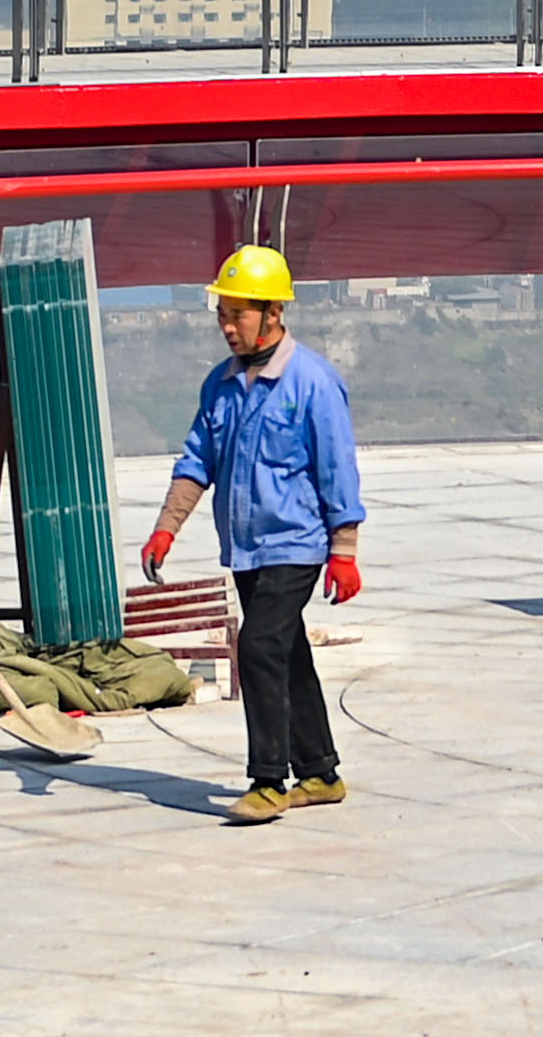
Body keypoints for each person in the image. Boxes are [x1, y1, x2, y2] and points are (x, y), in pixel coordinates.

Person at [142, 247, 366, 826]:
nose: (227, 326)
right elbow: (197, 461)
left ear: (273, 313)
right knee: (287, 653)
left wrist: (344, 551)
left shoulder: (313, 383)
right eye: (222, 313)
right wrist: (166, 530)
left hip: (296, 543)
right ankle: (319, 772)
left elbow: (337, 469)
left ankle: (269, 779)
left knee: (260, 646)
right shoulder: (220, 386)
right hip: (245, 548)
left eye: (237, 314)